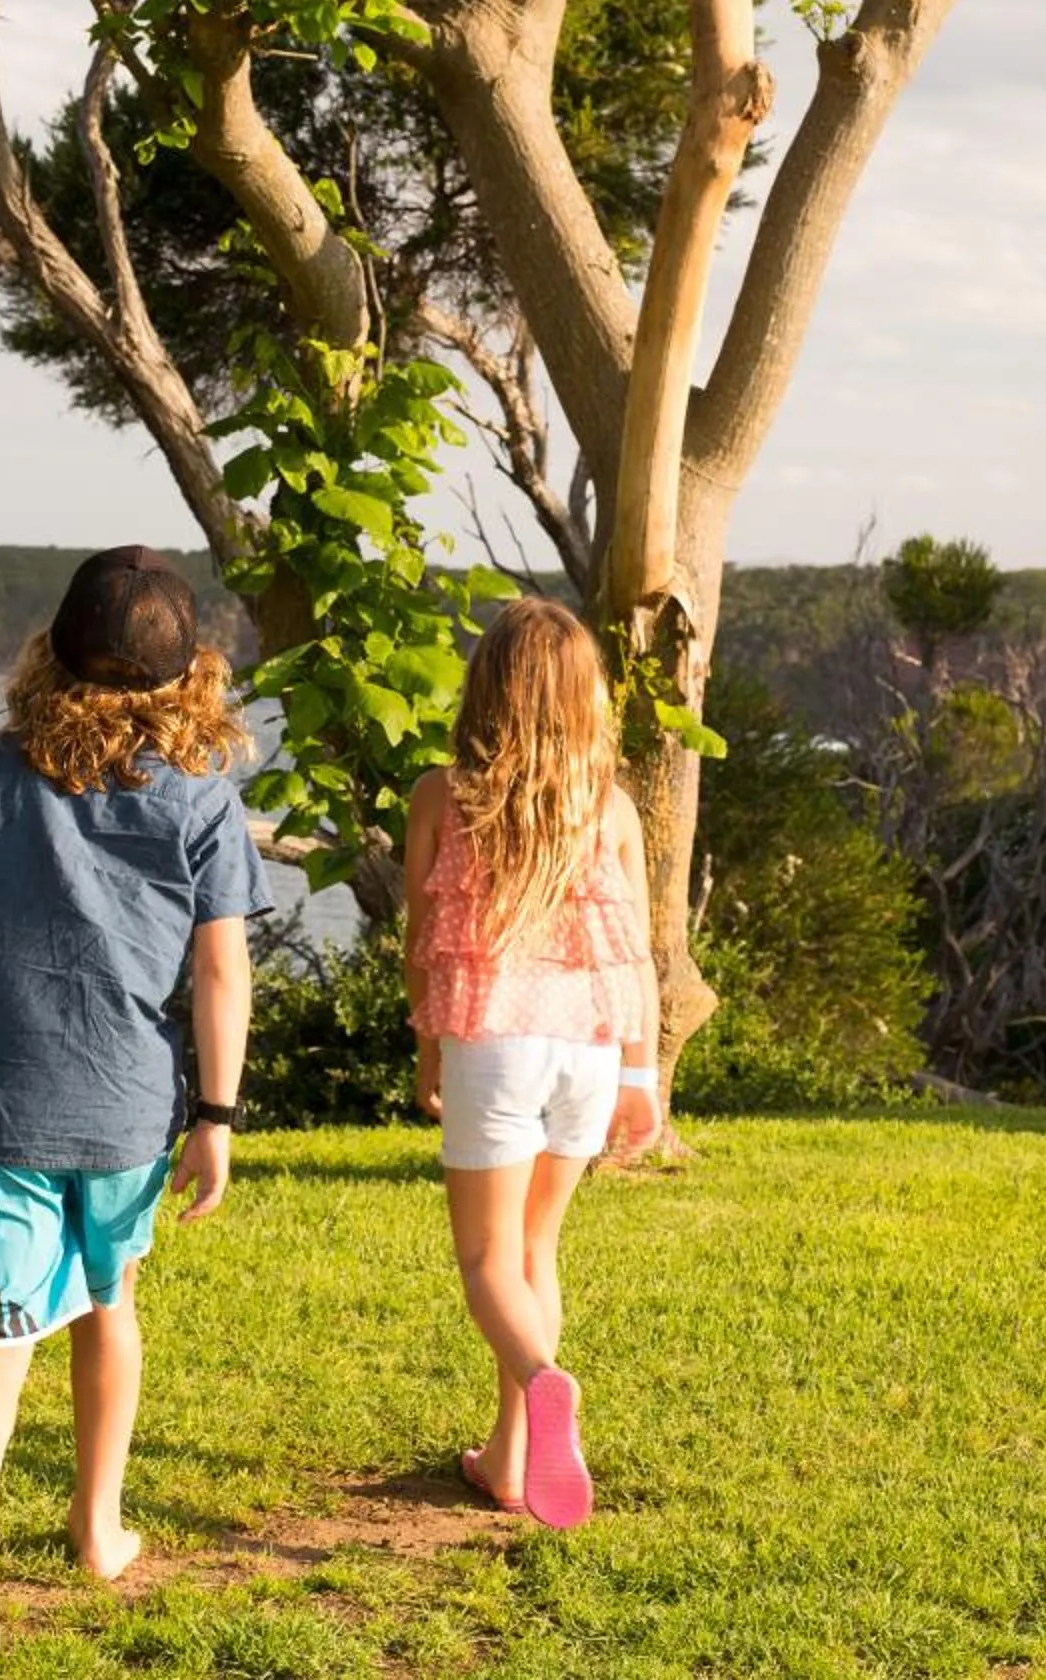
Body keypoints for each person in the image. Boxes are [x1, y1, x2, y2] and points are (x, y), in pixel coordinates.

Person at [0, 545, 270, 1680]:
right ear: (191, 672)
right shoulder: (200, 796)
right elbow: (222, 973)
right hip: (130, 1109)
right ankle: (98, 1525)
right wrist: (218, 1114)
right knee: (111, 1304)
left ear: (48, 652)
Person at [404, 596, 662, 1532]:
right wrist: (644, 1081)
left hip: (495, 1043)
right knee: (534, 1250)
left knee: (484, 1260)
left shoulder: (443, 795)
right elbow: (637, 954)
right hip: (591, 1052)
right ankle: (511, 1461)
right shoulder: (615, 811)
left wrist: (429, 1047)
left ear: (489, 691)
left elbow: (424, 942)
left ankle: (547, 1381)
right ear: (585, 699)